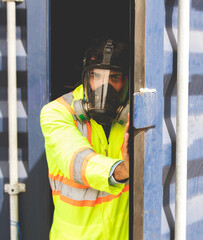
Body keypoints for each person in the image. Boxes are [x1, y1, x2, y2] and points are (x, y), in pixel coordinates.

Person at [40, 38, 130, 239]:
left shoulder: (132, 117)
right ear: (86, 77)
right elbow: (75, 160)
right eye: (96, 76)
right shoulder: (56, 113)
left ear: (125, 81)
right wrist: (123, 170)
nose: (104, 86)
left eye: (114, 77)